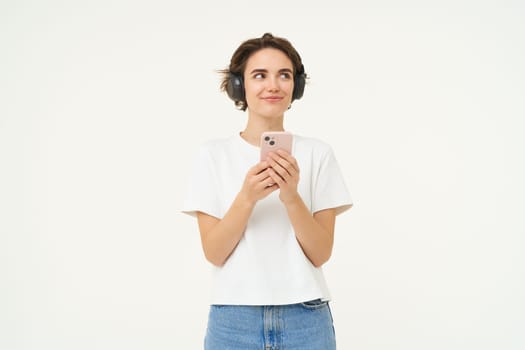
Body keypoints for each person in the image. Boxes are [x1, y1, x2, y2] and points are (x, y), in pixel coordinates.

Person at [182, 32, 353, 349]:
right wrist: (247, 197)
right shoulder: (212, 155)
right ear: (239, 85)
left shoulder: (318, 153)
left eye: (284, 75)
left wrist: (291, 197)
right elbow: (215, 253)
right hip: (233, 320)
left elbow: (320, 253)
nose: (273, 85)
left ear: (296, 86)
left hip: (307, 318)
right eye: (259, 75)